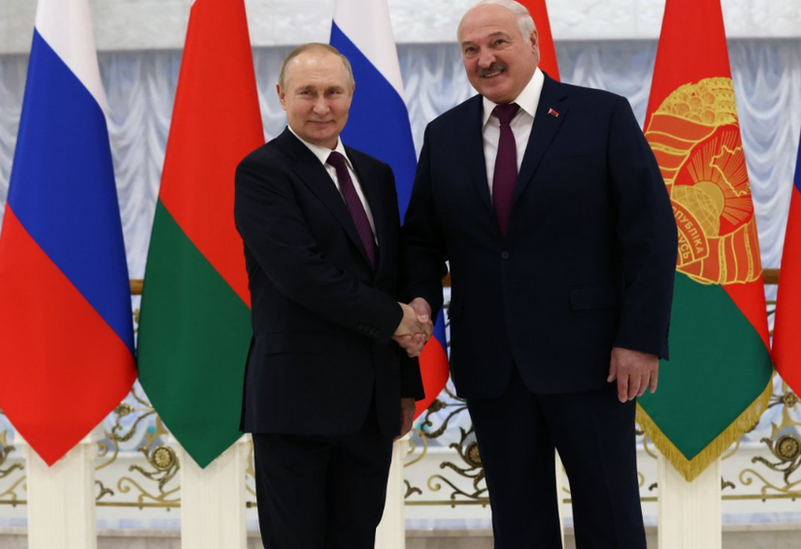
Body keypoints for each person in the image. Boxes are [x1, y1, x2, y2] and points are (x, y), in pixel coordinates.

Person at [398, 1, 678, 547]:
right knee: (519, 524)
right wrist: (421, 300)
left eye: (498, 42)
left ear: (533, 44)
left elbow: (649, 235)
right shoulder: (445, 133)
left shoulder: (601, 115)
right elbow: (423, 241)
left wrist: (640, 340)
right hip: (492, 365)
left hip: (594, 362)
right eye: (471, 49)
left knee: (612, 517)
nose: (485, 58)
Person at [234, 43, 429, 548]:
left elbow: (389, 277)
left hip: (371, 406)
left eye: (333, 92)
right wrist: (396, 319)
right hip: (297, 403)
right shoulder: (263, 172)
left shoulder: (376, 174)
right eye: (307, 92)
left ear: (351, 96)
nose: (321, 105)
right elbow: (301, 274)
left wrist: (404, 384)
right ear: (281, 96)